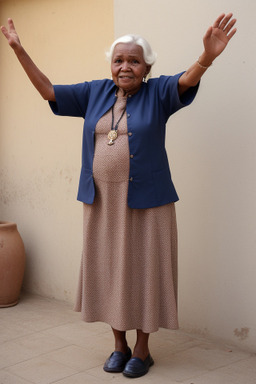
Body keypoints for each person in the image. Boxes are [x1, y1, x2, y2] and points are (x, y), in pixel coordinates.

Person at [1, 13, 236, 378]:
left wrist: (206, 57)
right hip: (102, 203)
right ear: (111, 65)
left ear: (146, 67)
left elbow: (187, 80)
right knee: (110, 271)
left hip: (148, 202)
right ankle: (119, 345)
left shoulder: (159, 92)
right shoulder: (94, 92)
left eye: (134, 60)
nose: (125, 66)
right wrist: (19, 50)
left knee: (144, 272)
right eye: (119, 60)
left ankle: (142, 350)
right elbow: (48, 90)